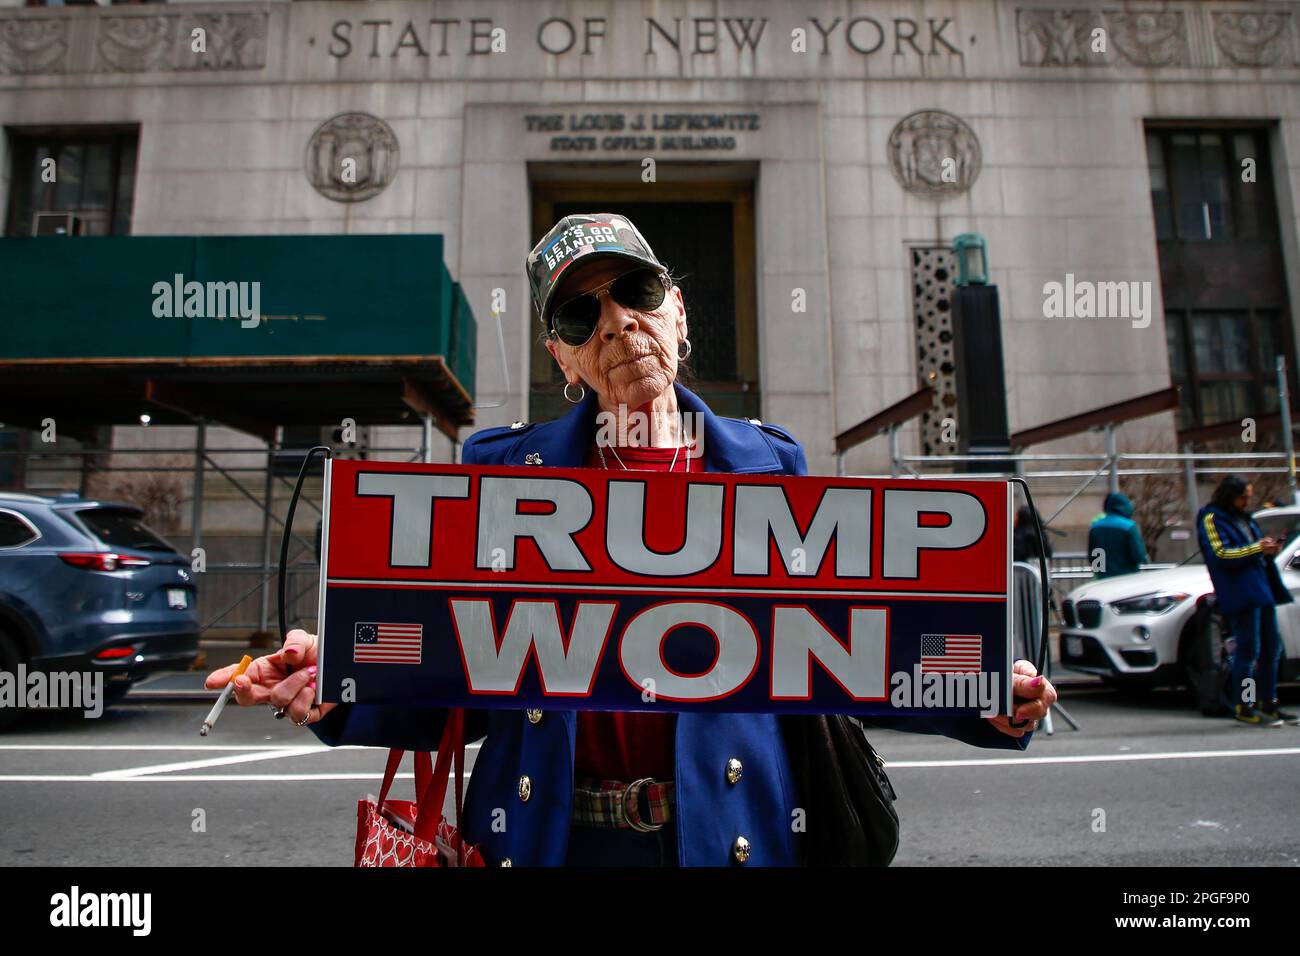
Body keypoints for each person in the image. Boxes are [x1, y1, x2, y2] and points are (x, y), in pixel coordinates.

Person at [205, 212, 1058, 866]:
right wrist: (340, 680)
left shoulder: (772, 465)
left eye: (636, 295)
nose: (616, 324)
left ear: (679, 313)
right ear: (562, 357)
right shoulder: (501, 476)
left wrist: (977, 691)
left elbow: (834, 654)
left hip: (728, 834)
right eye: (582, 317)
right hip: (551, 838)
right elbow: (455, 684)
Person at [1197, 474, 1299, 727]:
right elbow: (1220, 553)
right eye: (1243, 497)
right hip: (1239, 591)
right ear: (1229, 496)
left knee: (1271, 648)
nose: (1246, 501)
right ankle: (1244, 704)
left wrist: (1266, 548)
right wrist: (1257, 549)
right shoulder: (1211, 517)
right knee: (1248, 650)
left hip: (1261, 587)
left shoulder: (1245, 518)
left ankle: (1268, 702)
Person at [1087, 491, 1148, 578]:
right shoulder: (1129, 526)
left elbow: (1094, 555)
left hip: (1104, 578)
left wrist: (1101, 573)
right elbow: (1138, 555)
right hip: (1127, 577)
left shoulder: (1095, 527)